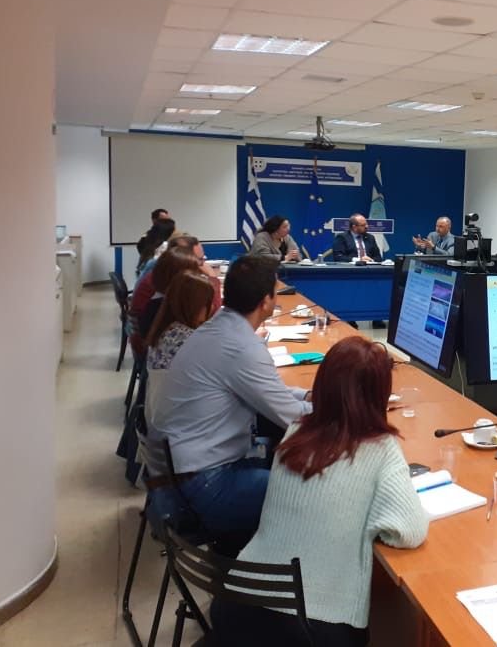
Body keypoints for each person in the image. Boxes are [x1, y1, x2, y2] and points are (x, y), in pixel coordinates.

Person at [209, 336, 428, 646]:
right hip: (308, 629)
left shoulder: (296, 429)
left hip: (236, 606)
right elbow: (410, 531)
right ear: (381, 394)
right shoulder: (382, 449)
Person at [147, 255, 313, 553]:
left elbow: (268, 392)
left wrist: (307, 396)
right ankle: (267, 570)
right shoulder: (241, 347)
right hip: (205, 485)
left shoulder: (218, 328)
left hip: (185, 471)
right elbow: (294, 419)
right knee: (306, 489)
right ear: (266, 301)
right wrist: (344, 406)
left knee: (281, 454)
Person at [142, 271, 217, 478]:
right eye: (207, 305)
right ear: (193, 306)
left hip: (163, 429)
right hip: (183, 440)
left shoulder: (166, 330)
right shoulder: (190, 341)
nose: (212, 309)